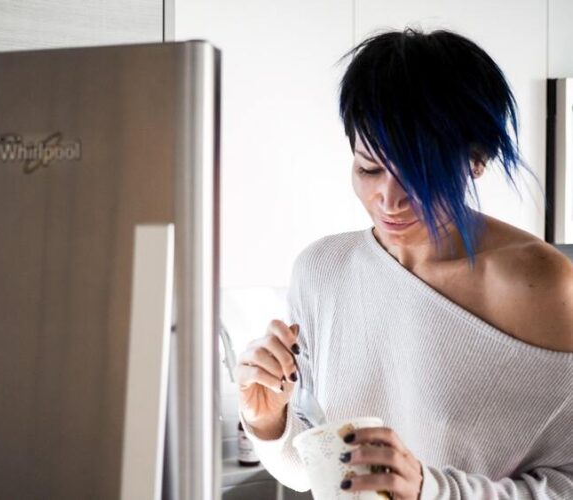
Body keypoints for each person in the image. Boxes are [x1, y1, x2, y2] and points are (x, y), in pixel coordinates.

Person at [235, 27, 573, 500]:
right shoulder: (321, 272)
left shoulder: (543, 285)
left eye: (418, 173)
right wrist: (267, 419)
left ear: (476, 159)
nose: (389, 199)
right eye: (368, 168)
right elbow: (318, 473)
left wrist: (430, 490)